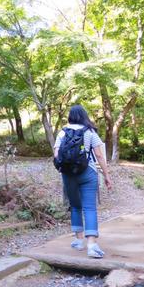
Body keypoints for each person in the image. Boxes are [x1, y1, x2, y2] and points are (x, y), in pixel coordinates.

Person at [54, 104, 112, 259]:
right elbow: (100, 156)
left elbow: (56, 154)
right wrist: (106, 175)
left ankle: (78, 241)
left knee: (75, 206)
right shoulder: (90, 132)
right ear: (84, 115)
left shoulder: (63, 132)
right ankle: (92, 245)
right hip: (88, 173)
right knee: (90, 208)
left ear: (70, 116)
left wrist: (64, 170)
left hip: (68, 174)